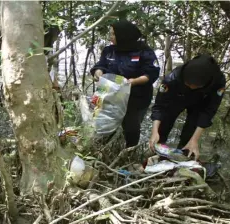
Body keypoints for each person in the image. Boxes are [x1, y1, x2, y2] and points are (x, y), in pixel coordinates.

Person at [90, 20, 160, 148]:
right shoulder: (109, 50)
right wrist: (98, 72)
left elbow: (152, 73)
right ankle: (101, 148)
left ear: (124, 36)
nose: (110, 37)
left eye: (113, 34)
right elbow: (101, 65)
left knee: (131, 127)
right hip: (109, 93)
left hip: (135, 96)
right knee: (102, 123)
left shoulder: (143, 51)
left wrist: (133, 82)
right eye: (110, 34)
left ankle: (128, 151)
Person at [149, 54, 226, 160]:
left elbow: (209, 112)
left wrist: (195, 140)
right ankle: (159, 155)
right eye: (188, 85)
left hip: (201, 103)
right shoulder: (172, 79)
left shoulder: (218, 82)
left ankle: (183, 157)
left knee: (190, 135)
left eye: (195, 87)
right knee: (162, 128)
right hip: (177, 98)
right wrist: (154, 131)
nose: (191, 88)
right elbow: (160, 106)